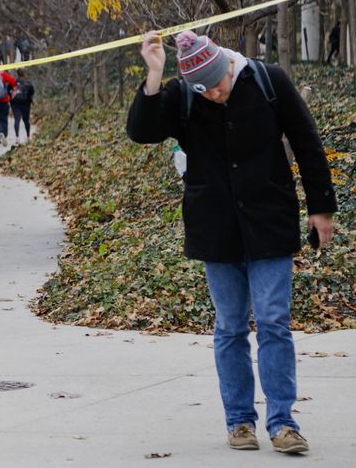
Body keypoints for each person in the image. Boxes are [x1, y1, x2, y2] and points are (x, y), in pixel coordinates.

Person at [126, 30, 337, 455]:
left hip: (269, 221)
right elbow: (142, 131)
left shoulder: (267, 80)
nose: (215, 94)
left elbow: (307, 142)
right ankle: (240, 421)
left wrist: (321, 208)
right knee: (230, 327)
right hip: (215, 226)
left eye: (217, 84)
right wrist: (154, 75)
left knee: (274, 321)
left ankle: (283, 423)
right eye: (203, 90)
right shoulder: (183, 94)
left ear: (226, 65)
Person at [10, 68, 35, 143]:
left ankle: (17, 137)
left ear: (17, 74)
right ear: (24, 74)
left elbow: (9, 91)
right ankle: (28, 137)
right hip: (26, 103)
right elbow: (32, 91)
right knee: (26, 120)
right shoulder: (27, 83)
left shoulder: (13, 82)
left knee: (17, 120)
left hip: (15, 103)